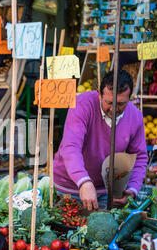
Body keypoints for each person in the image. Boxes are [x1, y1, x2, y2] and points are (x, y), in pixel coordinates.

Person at [53, 70, 147, 211]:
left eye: (121, 104)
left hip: (106, 192)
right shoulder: (82, 104)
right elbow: (71, 147)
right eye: (109, 102)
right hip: (69, 187)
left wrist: (133, 188)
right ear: (99, 94)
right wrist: (83, 181)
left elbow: (140, 156)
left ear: (130, 98)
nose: (114, 109)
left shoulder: (135, 116)